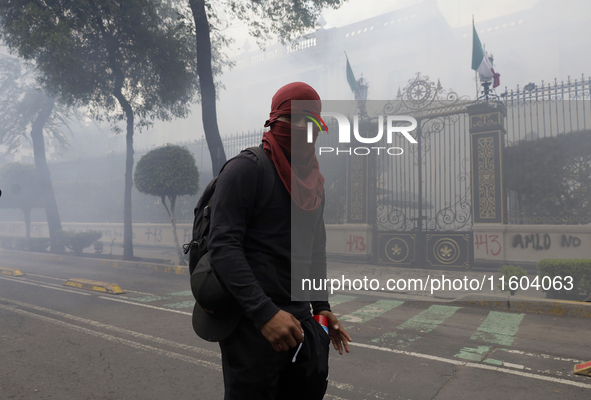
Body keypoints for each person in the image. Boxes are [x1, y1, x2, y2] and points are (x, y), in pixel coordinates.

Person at [207, 82, 351, 400]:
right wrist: (264, 313)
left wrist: (322, 309)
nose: (304, 129)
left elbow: (315, 251)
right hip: (253, 326)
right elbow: (223, 245)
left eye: (312, 122)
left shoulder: (313, 183)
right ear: (275, 121)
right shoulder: (246, 170)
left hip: (303, 324)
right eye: (294, 119)